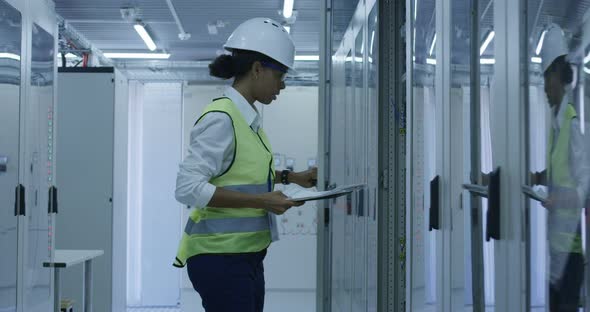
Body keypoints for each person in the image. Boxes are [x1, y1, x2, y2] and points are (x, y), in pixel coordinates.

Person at [172, 17, 318, 312]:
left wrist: (293, 177)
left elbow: (240, 173)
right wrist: (261, 201)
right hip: (220, 259)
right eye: (280, 76)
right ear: (257, 69)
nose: (283, 85)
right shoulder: (222, 118)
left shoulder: (247, 119)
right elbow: (187, 187)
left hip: (245, 256)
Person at [530, 23, 590, 312]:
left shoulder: (572, 123)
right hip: (557, 251)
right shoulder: (555, 124)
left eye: (546, 80)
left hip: (571, 253)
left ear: (557, 75)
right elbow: (558, 173)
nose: (544, 88)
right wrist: (536, 179)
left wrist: (556, 198)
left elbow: (583, 187)